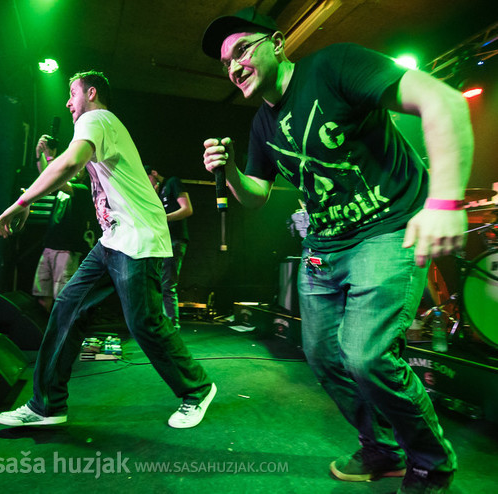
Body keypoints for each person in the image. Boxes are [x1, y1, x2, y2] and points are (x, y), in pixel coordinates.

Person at [201, 7, 471, 493]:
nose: (234, 66)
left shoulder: (334, 66)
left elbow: (443, 100)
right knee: (324, 355)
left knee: (366, 356)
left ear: (278, 42)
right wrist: (232, 171)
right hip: (324, 245)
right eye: (225, 63)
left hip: (387, 228)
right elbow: (258, 196)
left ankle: (431, 460)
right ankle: (381, 449)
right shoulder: (262, 124)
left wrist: (446, 201)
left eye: (241, 50)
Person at [0, 70, 215, 429]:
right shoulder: (99, 128)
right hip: (112, 239)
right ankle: (46, 405)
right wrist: (46, 158)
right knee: (67, 307)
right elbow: (69, 173)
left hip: (137, 237)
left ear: (92, 93)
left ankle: (197, 389)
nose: (68, 102)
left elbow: (69, 164)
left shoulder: (96, 118)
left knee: (143, 322)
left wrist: (22, 202)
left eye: (72, 93)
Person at [32, 134, 95, 313]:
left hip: (67, 251)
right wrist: (40, 155)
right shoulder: (63, 185)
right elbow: (47, 178)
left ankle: (61, 336)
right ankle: (43, 334)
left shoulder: (82, 190)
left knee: (63, 298)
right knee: (43, 297)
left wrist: (50, 157)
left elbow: (56, 180)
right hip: (50, 247)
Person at [144, 166, 192, 329]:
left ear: (154, 173)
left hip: (175, 240)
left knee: (167, 285)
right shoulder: (159, 191)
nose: (147, 183)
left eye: (148, 179)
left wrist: (163, 218)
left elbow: (187, 209)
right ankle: (163, 323)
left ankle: (172, 326)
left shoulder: (173, 182)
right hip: (163, 242)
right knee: (158, 284)